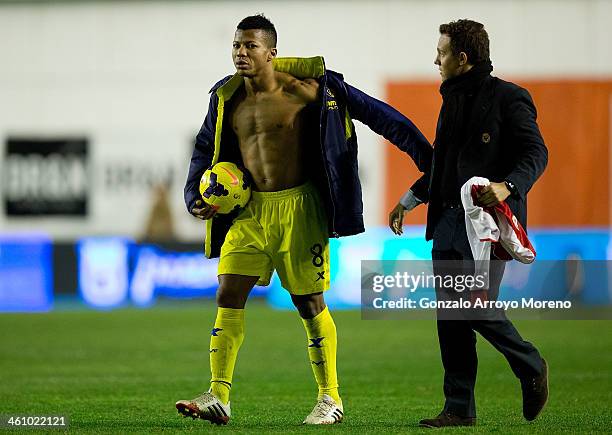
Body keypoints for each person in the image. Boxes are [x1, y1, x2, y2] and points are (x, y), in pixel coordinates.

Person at [177, 14, 432, 425]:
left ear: (271, 53)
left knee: (308, 303)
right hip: (251, 211)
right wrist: (193, 196)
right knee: (228, 292)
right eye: (237, 45)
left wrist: (429, 163)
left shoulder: (312, 89)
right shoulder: (226, 99)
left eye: (251, 46)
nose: (241, 53)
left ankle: (330, 399)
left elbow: (382, 117)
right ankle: (218, 395)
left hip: (300, 209)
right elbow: (203, 149)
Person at [389, 19, 549, 428]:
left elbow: (536, 153)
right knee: (452, 319)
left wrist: (509, 186)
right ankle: (458, 407)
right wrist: (409, 200)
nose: (435, 60)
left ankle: (530, 363)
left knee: (473, 308)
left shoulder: (510, 97)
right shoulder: (451, 101)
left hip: (488, 227)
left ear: (462, 58)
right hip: (446, 223)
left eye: (441, 53)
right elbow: (443, 166)